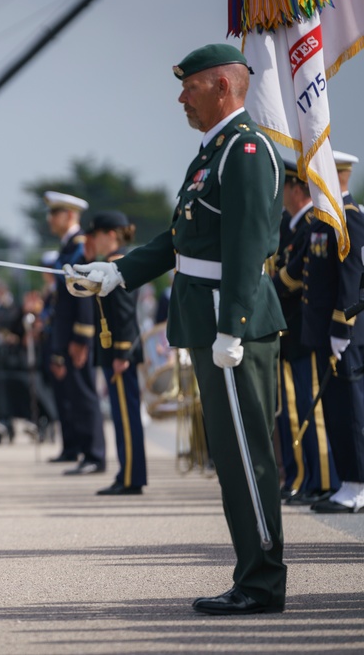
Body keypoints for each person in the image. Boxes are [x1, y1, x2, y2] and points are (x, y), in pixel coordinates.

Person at [72, 44, 286, 615]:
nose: (181, 97)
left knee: (246, 455)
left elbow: (244, 246)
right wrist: (117, 272)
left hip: (229, 322)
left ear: (222, 85)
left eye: (189, 85)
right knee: (229, 454)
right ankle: (252, 574)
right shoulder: (210, 154)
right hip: (208, 317)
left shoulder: (243, 150)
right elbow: (179, 240)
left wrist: (233, 327)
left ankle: (262, 582)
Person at [288, 150, 364, 514]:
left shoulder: (347, 219)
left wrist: (340, 328)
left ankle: (357, 485)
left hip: (342, 336)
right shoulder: (323, 220)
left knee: (350, 410)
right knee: (335, 409)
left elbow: (351, 278)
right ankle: (348, 481)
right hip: (321, 334)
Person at [270, 159, 339, 506]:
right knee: (293, 408)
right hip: (289, 329)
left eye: (283, 186)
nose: (279, 193)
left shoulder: (311, 224)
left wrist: (268, 286)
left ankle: (322, 478)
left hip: (301, 328)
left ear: (297, 188)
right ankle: (305, 476)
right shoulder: (290, 225)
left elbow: (296, 275)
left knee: (308, 406)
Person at [83, 211, 147, 495]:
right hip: (115, 352)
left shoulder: (117, 264)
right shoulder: (112, 264)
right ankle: (127, 473)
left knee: (126, 416)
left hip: (120, 353)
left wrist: (121, 354)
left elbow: (124, 314)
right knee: (121, 417)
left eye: (96, 235)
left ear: (111, 234)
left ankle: (132, 477)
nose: (93, 241)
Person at [44, 191, 105, 475]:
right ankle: (81, 450)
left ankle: (94, 454)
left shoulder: (80, 246)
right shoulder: (68, 246)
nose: (49, 219)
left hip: (75, 335)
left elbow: (83, 296)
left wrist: (81, 338)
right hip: (65, 333)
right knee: (73, 395)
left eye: (54, 213)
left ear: (69, 215)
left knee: (84, 394)